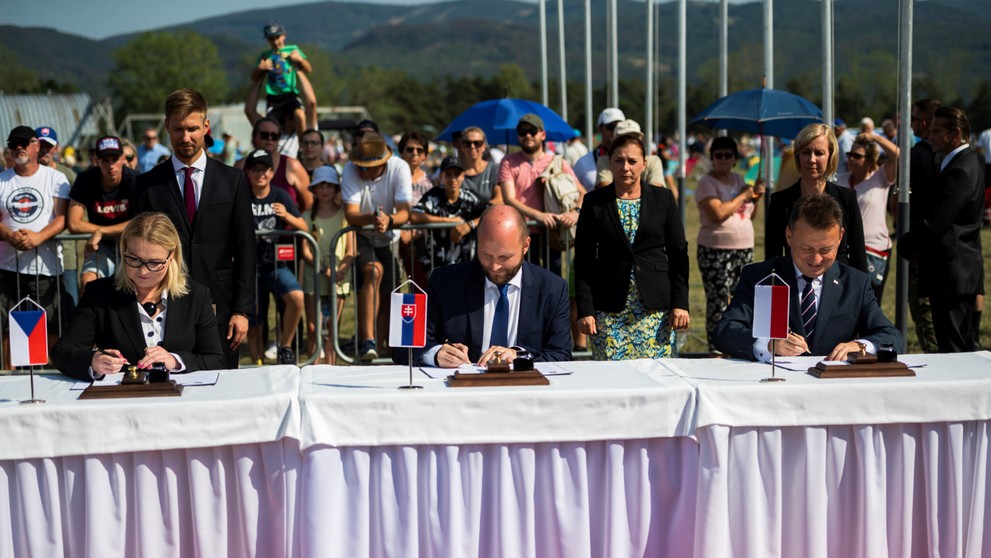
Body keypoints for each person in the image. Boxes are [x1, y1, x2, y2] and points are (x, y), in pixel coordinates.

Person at [132, 88, 256, 369]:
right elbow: (138, 252)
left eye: (192, 129)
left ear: (206, 127)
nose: (185, 137)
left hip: (221, 309)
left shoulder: (233, 180)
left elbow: (247, 249)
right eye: (178, 129)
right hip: (165, 308)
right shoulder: (147, 184)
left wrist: (242, 310)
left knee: (221, 390)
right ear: (166, 127)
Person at [715, 193, 903, 361]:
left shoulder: (855, 283)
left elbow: (892, 337)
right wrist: (768, 344)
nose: (816, 259)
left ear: (840, 237)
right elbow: (725, 332)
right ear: (789, 235)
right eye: (806, 249)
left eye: (826, 250)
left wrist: (860, 347)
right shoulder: (761, 277)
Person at [52, 212, 225, 381]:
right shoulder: (99, 294)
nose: (143, 271)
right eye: (134, 259)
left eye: (154, 263)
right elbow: (62, 351)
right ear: (123, 250)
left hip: (180, 403)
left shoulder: (196, 296)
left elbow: (216, 360)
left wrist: (175, 361)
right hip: (123, 403)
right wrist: (93, 360)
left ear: (171, 257)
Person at [394, 205, 572, 367]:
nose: (494, 267)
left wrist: (517, 356)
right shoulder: (445, 282)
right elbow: (404, 347)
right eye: (486, 254)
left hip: (526, 394)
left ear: (525, 245)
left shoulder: (552, 289)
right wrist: (435, 354)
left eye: (504, 257)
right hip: (461, 393)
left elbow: (561, 355)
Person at [574, 132, 690, 360]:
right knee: (613, 383)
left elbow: (679, 255)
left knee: (659, 379)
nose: (625, 167)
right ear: (610, 163)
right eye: (619, 160)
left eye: (632, 161)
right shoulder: (593, 202)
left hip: (656, 311)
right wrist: (585, 310)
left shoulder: (664, 199)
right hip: (608, 311)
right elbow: (584, 261)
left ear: (644, 164)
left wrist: (681, 303)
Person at [901, 107, 985, 353]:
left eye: (937, 131)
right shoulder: (967, 162)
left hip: (951, 273)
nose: (930, 136)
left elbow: (935, 223)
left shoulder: (958, 170)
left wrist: (907, 243)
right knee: (959, 345)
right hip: (957, 272)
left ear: (955, 134)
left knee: (955, 349)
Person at [0, 125, 73, 351]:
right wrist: (10, 236)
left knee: (50, 327)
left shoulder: (56, 177)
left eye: (23, 143)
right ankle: (9, 381)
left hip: (45, 269)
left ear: (36, 145)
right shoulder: (2, 180)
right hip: (7, 268)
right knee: (8, 330)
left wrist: (39, 237)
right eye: (13, 144)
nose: (18, 148)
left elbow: (62, 218)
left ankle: (50, 378)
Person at [342, 131, 412, 360]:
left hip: (390, 236)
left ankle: (381, 347)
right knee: (373, 271)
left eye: (367, 167)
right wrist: (373, 219)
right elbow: (351, 214)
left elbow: (404, 211)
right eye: (359, 166)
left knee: (390, 292)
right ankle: (367, 341)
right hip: (362, 234)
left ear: (382, 163)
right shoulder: (350, 170)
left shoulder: (400, 168)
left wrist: (388, 220)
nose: (362, 171)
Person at [765, 123, 868, 272]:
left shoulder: (847, 199)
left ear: (830, 156)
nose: (811, 159)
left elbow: (859, 257)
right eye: (806, 152)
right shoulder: (780, 202)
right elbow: (772, 259)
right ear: (798, 155)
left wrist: (860, 292)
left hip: (838, 287)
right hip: (794, 286)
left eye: (819, 153)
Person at [695, 136, 763, 354]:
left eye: (728, 155)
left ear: (735, 158)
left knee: (740, 301)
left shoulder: (739, 179)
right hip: (716, 250)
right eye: (718, 155)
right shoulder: (707, 182)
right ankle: (716, 349)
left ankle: (736, 345)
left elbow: (750, 215)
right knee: (718, 302)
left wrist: (756, 198)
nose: (723, 159)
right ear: (712, 158)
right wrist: (745, 194)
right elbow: (718, 213)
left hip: (743, 248)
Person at [244, 149, 308, 365]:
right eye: (255, 169)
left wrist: (287, 215)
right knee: (253, 323)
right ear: (248, 172)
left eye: (264, 169)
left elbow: (303, 226)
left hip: (276, 265)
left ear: (271, 173)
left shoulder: (280, 195)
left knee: (296, 297)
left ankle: (285, 346)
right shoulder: (242, 195)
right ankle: (257, 363)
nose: (260, 174)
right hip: (249, 267)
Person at [498, 113, 584, 271]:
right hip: (521, 233)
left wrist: (575, 213)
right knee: (526, 282)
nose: (528, 135)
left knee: (554, 281)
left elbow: (583, 193)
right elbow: (509, 199)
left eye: (532, 131)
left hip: (551, 232)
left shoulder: (556, 161)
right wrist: (538, 215)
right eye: (523, 132)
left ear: (543, 134)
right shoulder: (508, 162)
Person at [835, 132, 899, 303]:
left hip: (874, 249)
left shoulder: (881, 178)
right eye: (849, 154)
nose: (851, 159)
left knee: (870, 301)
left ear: (870, 160)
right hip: (845, 249)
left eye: (857, 156)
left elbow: (897, 156)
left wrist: (874, 137)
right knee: (846, 300)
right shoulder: (839, 181)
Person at [67, 136, 136, 292]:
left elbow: (138, 222)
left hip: (131, 244)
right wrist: (100, 234)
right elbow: (73, 223)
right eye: (106, 160)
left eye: (115, 159)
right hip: (100, 246)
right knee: (88, 283)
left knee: (133, 289)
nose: (111, 165)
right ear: (96, 161)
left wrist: (100, 231)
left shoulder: (135, 180)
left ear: (123, 159)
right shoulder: (85, 179)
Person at [301, 165, 354, 364]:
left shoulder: (345, 215)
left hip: (339, 279)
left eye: (329, 186)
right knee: (313, 327)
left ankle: (330, 367)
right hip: (313, 277)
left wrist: (340, 271)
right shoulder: (308, 216)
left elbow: (351, 250)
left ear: (336, 189)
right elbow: (305, 250)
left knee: (332, 327)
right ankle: (313, 368)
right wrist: (326, 270)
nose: (324, 190)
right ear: (314, 189)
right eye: (320, 186)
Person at [906, 99, 942, 352]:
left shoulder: (917, 155)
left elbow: (906, 200)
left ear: (925, 123)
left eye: (914, 120)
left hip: (921, 242)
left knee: (922, 308)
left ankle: (935, 353)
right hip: (944, 243)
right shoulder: (952, 157)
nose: (911, 125)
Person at [410, 155, 488, 270]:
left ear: (463, 176)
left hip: (466, 265)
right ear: (441, 176)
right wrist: (449, 221)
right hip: (436, 265)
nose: (453, 179)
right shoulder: (434, 195)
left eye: (457, 174)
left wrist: (469, 225)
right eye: (448, 174)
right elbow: (414, 215)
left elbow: (491, 212)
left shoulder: (471, 197)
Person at [250, 20, 316, 135]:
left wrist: (300, 60)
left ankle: (302, 145)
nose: (275, 42)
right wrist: (260, 68)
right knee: (271, 126)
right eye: (271, 39)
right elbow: (254, 77)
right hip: (273, 97)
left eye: (277, 37)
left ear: (284, 36)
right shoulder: (266, 55)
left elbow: (308, 69)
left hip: (290, 93)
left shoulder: (293, 49)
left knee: (300, 115)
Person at [236, 117, 312, 211]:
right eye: (264, 135)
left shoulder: (292, 166)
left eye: (275, 135)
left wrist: (293, 222)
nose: (270, 139)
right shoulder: (241, 166)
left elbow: (308, 205)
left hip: (286, 225)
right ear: (254, 137)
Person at [574, 108, 624, 190]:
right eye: (611, 127)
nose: (616, 131)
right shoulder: (583, 163)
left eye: (620, 126)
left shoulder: (636, 161)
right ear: (600, 129)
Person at [456, 126, 503, 204]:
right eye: (467, 143)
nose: (472, 146)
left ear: (484, 146)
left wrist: (477, 210)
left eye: (477, 143)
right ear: (462, 147)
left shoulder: (495, 169)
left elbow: (499, 199)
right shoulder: (455, 172)